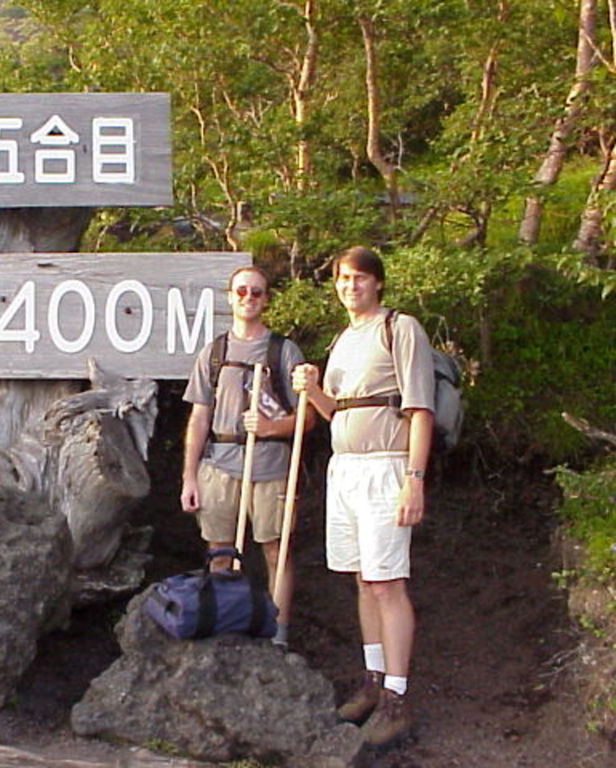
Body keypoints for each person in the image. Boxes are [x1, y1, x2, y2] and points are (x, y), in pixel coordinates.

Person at [292, 246, 435, 747]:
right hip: (345, 470)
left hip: (386, 468)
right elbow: (337, 412)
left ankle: (397, 699)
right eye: (342, 279)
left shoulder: (400, 328)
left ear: (377, 283)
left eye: (359, 278)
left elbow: (419, 409)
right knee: (362, 579)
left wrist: (414, 478)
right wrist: (311, 389)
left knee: (387, 582)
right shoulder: (344, 339)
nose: (349, 286)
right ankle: (373, 683)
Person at [181, 265, 313, 651]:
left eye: (256, 293)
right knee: (220, 551)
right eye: (241, 292)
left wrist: (270, 428)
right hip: (219, 466)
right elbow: (199, 416)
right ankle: (224, 625)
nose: (248, 299)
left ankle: (279, 635)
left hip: (271, 468)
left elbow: (307, 419)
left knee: (277, 550)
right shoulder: (214, 352)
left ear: (266, 299)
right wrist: (190, 476)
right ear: (230, 297)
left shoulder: (284, 351)